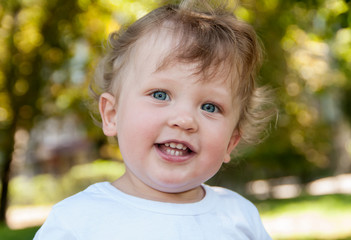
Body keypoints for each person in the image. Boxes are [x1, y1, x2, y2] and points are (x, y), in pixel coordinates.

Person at [34, 0, 274, 239]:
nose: (184, 120)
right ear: (112, 115)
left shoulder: (240, 217)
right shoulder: (76, 221)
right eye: (160, 95)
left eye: (210, 106)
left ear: (231, 142)